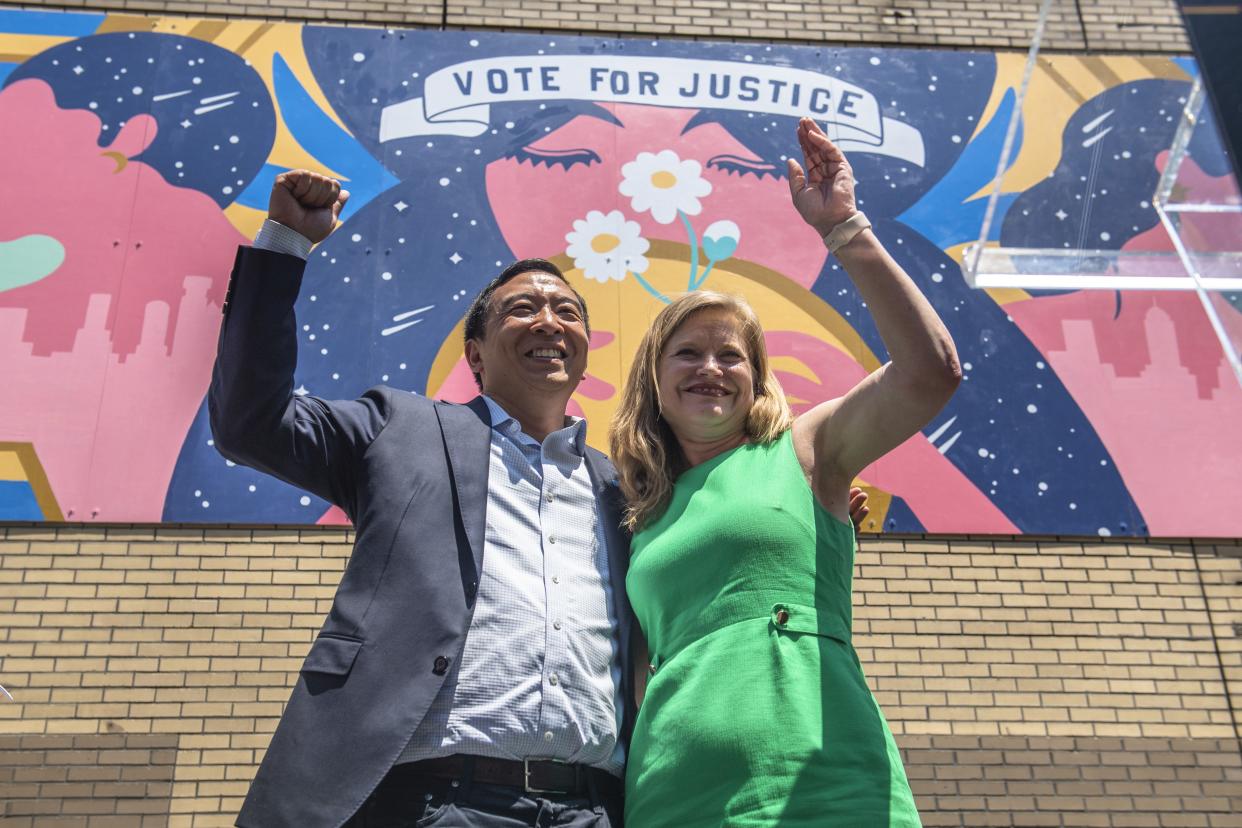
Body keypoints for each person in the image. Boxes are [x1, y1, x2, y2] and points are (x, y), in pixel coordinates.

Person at [210, 171, 634, 827]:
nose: (548, 318)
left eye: (567, 311)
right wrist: (286, 243)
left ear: (583, 353)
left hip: (594, 809)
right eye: (522, 308)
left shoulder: (621, 487)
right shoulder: (400, 429)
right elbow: (249, 421)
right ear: (476, 354)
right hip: (437, 803)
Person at [609, 118, 962, 826]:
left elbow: (930, 373)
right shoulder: (638, 511)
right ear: (654, 377)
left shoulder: (805, 449)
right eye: (688, 353)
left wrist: (845, 230)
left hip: (822, 788)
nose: (711, 368)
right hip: (669, 797)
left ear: (756, 378)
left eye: (731, 355)